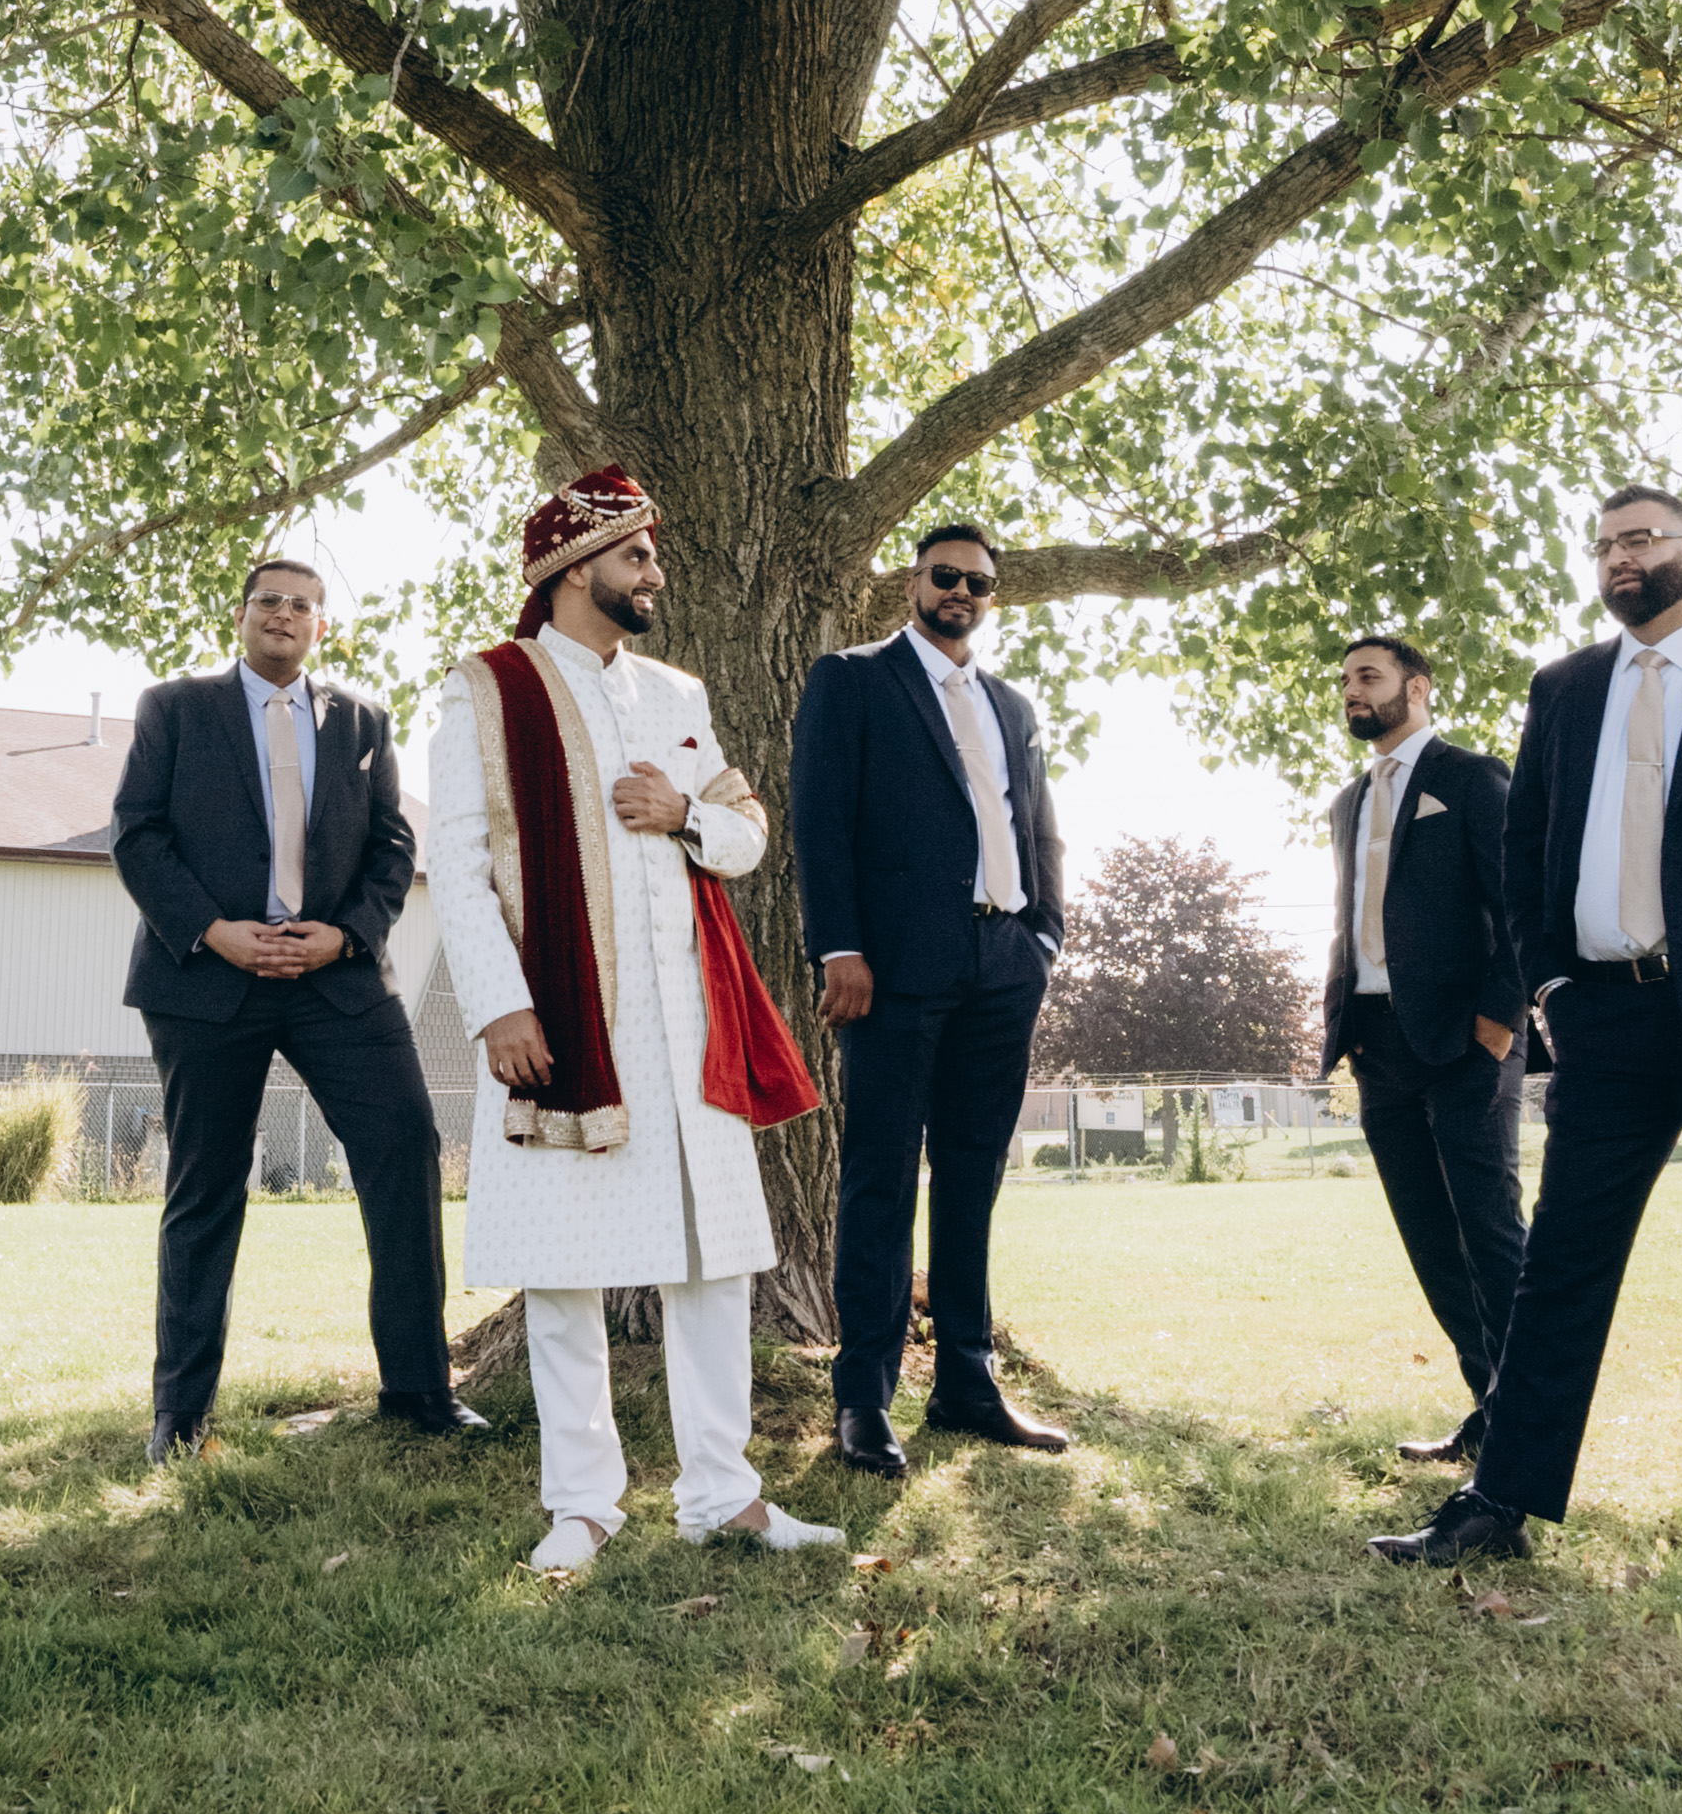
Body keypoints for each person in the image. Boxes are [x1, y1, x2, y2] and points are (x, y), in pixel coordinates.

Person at [1369, 486, 1682, 1596]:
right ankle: (1500, 1500)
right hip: (1606, 1025)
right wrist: (1552, 980)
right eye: (1603, 544)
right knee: (1558, 1274)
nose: (1618, 557)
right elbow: (1526, 856)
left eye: (1639, 538)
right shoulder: (1562, 690)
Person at [427, 466, 841, 1572]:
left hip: (691, 1019)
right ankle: (584, 1504)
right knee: (563, 1267)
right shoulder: (487, 690)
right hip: (564, 1021)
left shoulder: (675, 695)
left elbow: (748, 834)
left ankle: (724, 1495)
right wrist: (500, 1006)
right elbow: (457, 866)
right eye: (636, 554)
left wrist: (683, 813)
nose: (655, 573)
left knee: (712, 1257)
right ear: (573, 568)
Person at [109, 555, 481, 1462]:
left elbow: (394, 844)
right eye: (269, 600)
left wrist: (345, 936)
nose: (284, 613)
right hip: (206, 979)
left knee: (405, 1147)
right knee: (205, 1186)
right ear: (241, 616)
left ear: (322, 626)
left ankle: (419, 1387)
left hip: (337, 981)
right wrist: (214, 931)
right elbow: (137, 832)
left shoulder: (362, 720)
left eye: (303, 604)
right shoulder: (174, 708)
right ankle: (181, 1413)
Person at [792, 523, 1072, 1480]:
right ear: (914, 581)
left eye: (979, 582)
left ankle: (966, 1380)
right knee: (879, 1177)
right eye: (946, 575)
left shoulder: (1011, 705)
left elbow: (1038, 827)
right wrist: (839, 946)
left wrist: (1042, 937)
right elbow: (820, 819)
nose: (961, 591)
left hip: (1004, 963)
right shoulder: (853, 679)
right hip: (893, 971)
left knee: (972, 1175)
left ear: (993, 597)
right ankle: (864, 1398)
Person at [1318, 636, 1524, 1468]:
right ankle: (1489, 1409)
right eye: (1345, 680)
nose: (1352, 690)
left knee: (1490, 1233)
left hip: (1466, 1042)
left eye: (1368, 676)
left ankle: (1528, 1430)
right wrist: (1344, 1026)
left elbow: (1520, 903)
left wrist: (1499, 1020)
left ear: (1419, 687)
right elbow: (1354, 922)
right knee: (1431, 1240)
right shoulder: (1348, 802)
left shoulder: (1472, 779)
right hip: (1377, 1043)